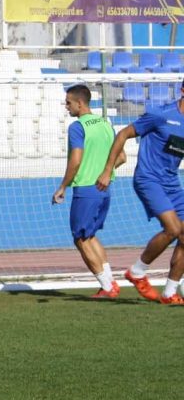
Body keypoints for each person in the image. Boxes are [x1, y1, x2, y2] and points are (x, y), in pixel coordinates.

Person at [97, 79, 184, 305]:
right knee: (173, 229)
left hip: (172, 183)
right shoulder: (160, 114)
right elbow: (123, 134)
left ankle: (169, 293)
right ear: (182, 90)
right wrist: (108, 170)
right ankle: (137, 271)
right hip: (148, 179)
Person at [51, 85, 125, 299]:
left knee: (80, 239)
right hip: (104, 189)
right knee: (90, 236)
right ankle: (110, 283)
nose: (66, 107)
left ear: (79, 103)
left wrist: (63, 186)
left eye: (68, 103)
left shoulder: (77, 127)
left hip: (86, 189)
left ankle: (108, 287)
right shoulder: (105, 124)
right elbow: (121, 158)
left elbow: (76, 159)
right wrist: (104, 174)